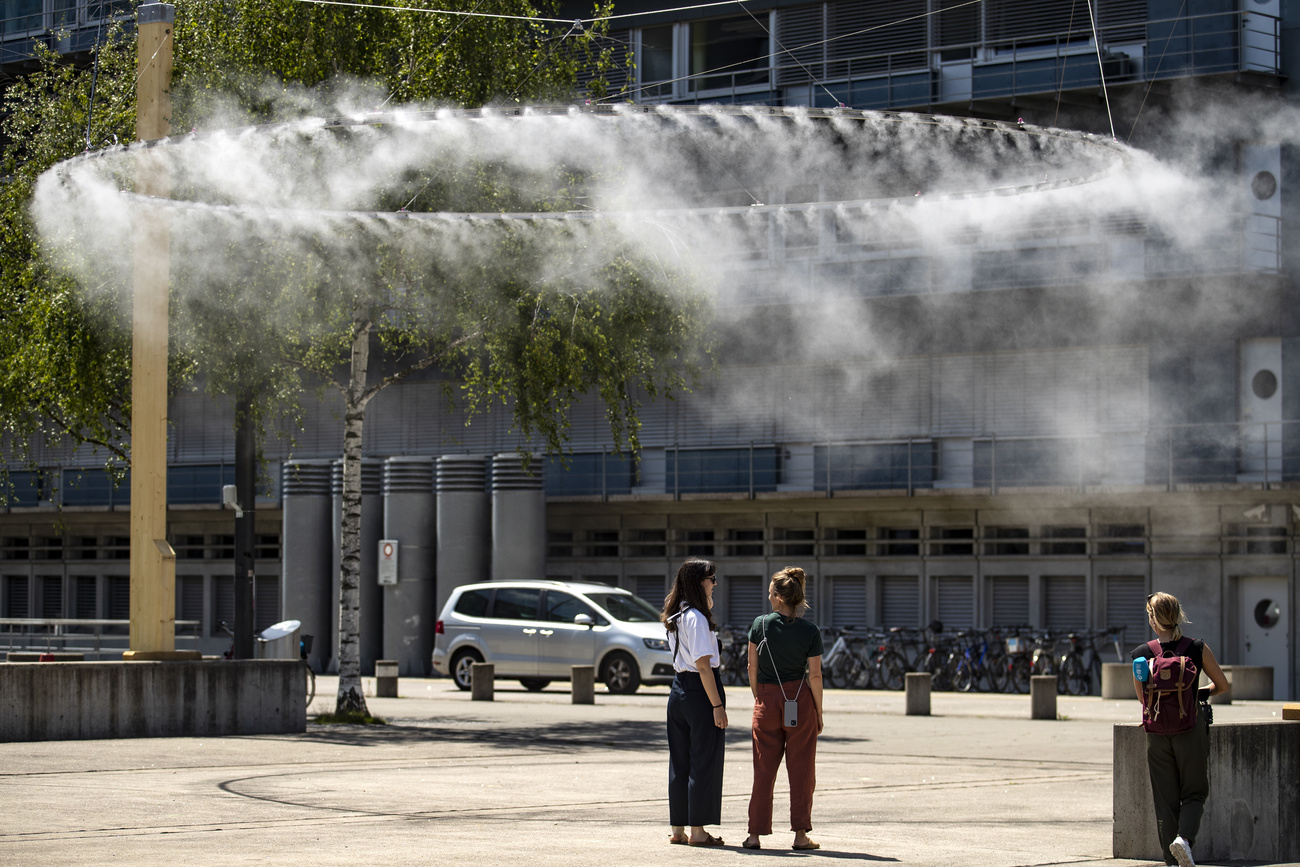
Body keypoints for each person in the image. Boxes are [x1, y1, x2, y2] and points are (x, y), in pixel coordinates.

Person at [1130, 592, 1229, 867]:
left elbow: (1143, 699)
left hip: (1157, 733)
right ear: (1177, 616)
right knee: (1194, 792)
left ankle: (1170, 861)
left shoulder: (1142, 655)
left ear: (1153, 619)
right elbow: (1222, 685)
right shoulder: (1196, 648)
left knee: (1165, 801)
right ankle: (1184, 840)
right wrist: (1197, 694)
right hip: (1190, 728)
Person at [742, 566, 824, 851]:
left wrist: (760, 697)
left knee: (763, 769)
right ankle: (800, 835)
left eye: (769, 593)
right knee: (802, 769)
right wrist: (819, 712)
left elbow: (751, 666)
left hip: (766, 698)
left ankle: (755, 834)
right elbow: (815, 676)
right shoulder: (810, 631)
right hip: (800, 700)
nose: (767, 596)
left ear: (778, 597)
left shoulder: (759, 625)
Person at [662, 558, 727, 846]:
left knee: (679, 761)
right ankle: (698, 831)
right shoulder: (696, 618)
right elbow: (703, 665)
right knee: (703, 761)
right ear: (699, 582)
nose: (714, 583)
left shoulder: (676, 614)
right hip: (700, 691)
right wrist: (717, 705)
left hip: (678, 691)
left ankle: (679, 829)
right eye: (711, 578)